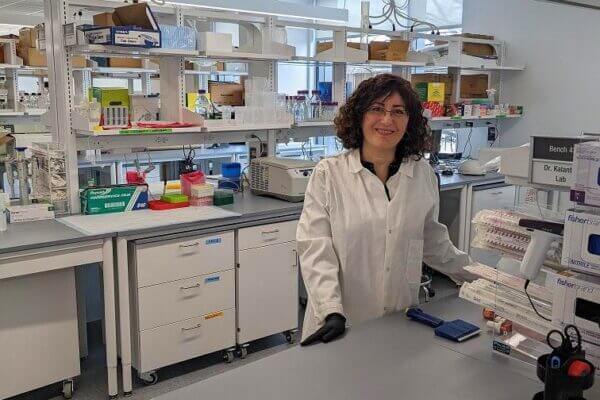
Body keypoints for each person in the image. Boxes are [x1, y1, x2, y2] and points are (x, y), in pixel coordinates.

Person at [297, 74, 472, 345]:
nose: (387, 120)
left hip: (399, 320)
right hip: (341, 324)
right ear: (359, 116)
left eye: (398, 112)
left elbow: (434, 243)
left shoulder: (422, 173)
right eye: (377, 109)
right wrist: (331, 310)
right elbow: (315, 248)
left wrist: (485, 279)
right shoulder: (328, 174)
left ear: (410, 121)